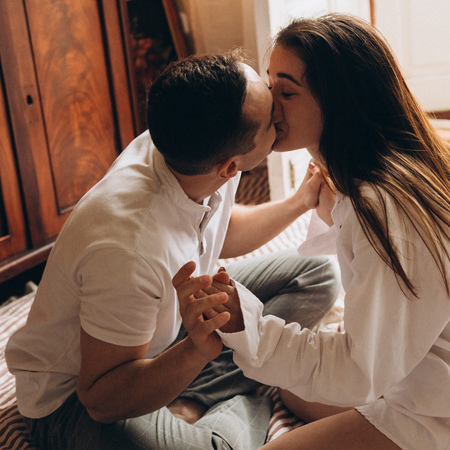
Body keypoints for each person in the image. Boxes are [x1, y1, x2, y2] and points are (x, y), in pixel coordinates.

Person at [6, 53, 340, 450]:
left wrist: (300, 202)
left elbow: (220, 230)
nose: (279, 114)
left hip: (165, 328)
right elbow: (99, 398)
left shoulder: (192, 142)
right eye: (271, 116)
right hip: (78, 397)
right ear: (228, 167)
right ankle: (243, 400)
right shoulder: (130, 248)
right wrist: (195, 351)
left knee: (317, 273)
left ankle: (194, 393)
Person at [173, 14, 450, 450]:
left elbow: (358, 372)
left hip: (433, 408)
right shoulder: (364, 175)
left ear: (341, 100)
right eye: (269, 85)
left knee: (307, 378)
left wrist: (248, 322)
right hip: (411, 366)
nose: (269, 105)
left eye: (286, 92)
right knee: (291, 391)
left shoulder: (382, 207)